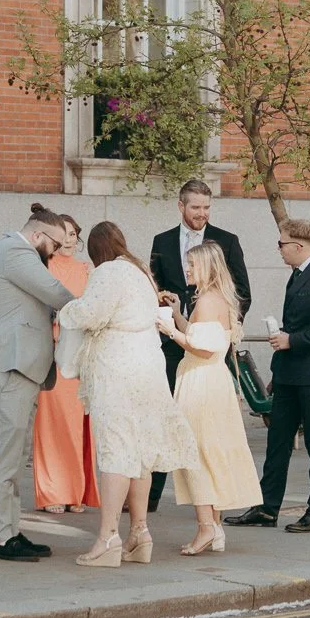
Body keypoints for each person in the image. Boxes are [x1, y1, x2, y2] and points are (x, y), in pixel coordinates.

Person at [53, 221, 198, 567]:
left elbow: (90, 314)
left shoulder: (108, 273)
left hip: (117, 371)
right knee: (140, 451)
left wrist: (66, 308)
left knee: (115, 451)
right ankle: (139, 532)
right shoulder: (141, 272)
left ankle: (107, 539)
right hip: (148, 368)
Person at [0, 206, 77, 561]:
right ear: (37, 236)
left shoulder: (15, 251)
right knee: (3, 458)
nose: (57, 252)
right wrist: (95, 309)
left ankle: (9, 531)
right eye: (55, 245)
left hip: (14, 370)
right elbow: (54, 292)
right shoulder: (15, 251)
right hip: (4, 368)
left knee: (11, 459)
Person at [226, 218, 310, 535]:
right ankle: (267, 508)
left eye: (281, 244)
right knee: (277, 442)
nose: (278, 250)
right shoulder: (298, 275)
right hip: (290, 374)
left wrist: (292, 340)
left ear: (298, 246)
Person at [146, 179, 251, 512]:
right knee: (164, 416)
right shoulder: (161, 241)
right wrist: (167, 309)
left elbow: (242, 292)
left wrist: (222, 329)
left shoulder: (227, 241)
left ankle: (208, 504)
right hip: (172, 344)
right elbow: (155, 285)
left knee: (204, 428)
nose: (202, 214)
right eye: (195, 208)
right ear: (181, 206)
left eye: (207, 208)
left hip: (206, 349)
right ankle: (150, 496)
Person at [159, 242, 261, 555]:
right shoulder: (218, 299)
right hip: (213, 380)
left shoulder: (206, 300)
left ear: (205, 267)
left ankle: (205, 527)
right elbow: (203, 337)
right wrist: (177, 314)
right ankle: (214, 529)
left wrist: (168, 330)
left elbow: (201, 347)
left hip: (201, 382)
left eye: (191, 265)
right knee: (209, 452)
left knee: (196, 453)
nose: (186, 270)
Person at [32, 213, 98, 514]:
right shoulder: (42, 267)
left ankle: (76, 490)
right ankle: (52, 491)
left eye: (74, 234)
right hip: (53, 353)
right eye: (65, 234)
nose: (70, 240)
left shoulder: (87, 270)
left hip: (81, 356)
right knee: (52, 422)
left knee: (76, 423)